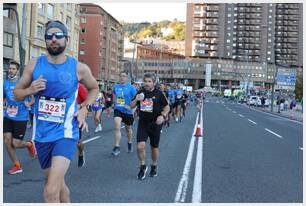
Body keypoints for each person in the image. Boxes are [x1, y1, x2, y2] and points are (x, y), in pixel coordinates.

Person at [13, 20, 99, 203]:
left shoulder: (79, 68)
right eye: (49, 36)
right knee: (58, 186)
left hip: (66, 133)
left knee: (50, 191)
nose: (53, 39)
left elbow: (94, 89)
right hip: (42, 135)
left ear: (66, 39)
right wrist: (30, 90)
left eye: (58, 36)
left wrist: (84, 108)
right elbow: (17, 94)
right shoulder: (34, 64)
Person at [131, 73, 170, 180]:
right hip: (143, 123)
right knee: (140, 146)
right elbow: (131, 105)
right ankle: (143, 166)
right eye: (146, 81)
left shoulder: (159, 94)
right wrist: (136, 100)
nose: (147, 83)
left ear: (154, 83)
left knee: (154, 147)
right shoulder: (140, 92)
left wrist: (163, 116)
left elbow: (167, 107)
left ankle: (154, 165)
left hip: (155, 123)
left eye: (149, 81)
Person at [3, 60, 36, 175]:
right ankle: (17, 165)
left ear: (17, 71)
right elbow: (3, 98)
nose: (11, 70)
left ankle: (29, 144)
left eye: (13, 69)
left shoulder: (23, 84)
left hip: (21, 117)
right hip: (8, 116)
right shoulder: (5, 84)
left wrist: (30, 104)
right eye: (10, 68)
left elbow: (33, 97)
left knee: (16, 143)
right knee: (7, 140)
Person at [112, 70, 137, 156]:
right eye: (120, 76)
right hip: (118, 109)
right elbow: (114, 95)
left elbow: (136, 100)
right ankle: (116, 147)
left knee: (128, 129)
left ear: (126, 78)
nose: (122, 77)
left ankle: (129, 142)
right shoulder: (116, 86)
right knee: (117, 125)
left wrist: (132, 109)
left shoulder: (131, 88)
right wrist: (114, 103)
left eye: (124, 76)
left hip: (128, 111)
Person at [76, 83, 88, 167]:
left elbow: (87, 101)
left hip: (75, 117)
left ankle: (81, 154)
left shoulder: (78, 86)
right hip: (61, 118)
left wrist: (79, 106)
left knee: (78, 143)